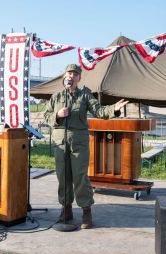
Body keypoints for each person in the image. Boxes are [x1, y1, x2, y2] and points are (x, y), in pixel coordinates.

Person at [44, 64, 129, 229]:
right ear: (64, 76)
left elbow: (99, 111)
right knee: (63, 176)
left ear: (79, 78)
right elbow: (46, 116)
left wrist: (114, 110)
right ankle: (66, 208)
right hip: (60, 142)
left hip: (79, 142)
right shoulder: (56, 96)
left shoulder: (85, 96)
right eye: (69, 73)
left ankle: (86, 211)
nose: (72, 76)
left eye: (75, 74)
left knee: (80, 177)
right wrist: (57, 115)